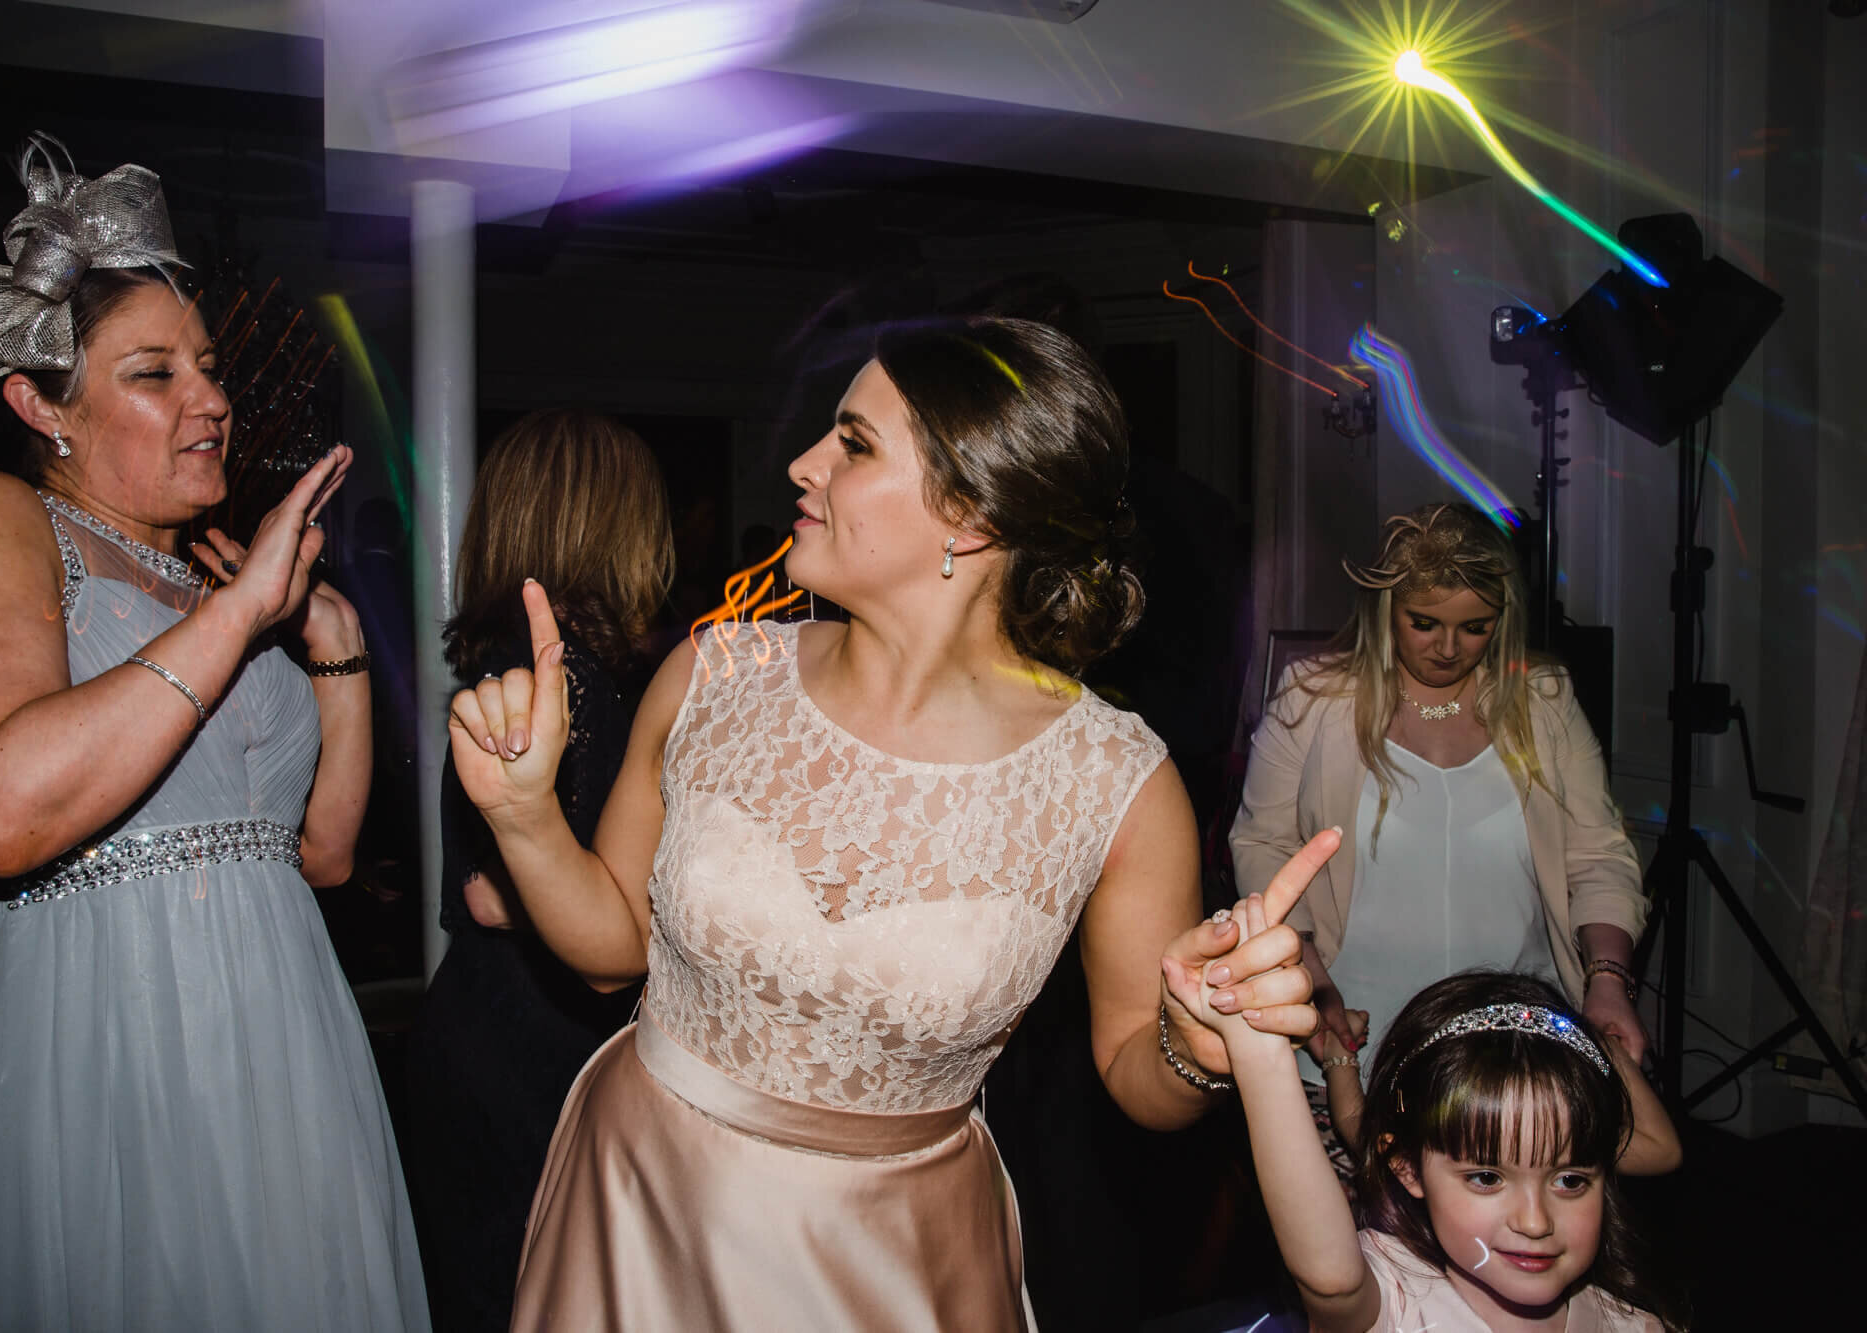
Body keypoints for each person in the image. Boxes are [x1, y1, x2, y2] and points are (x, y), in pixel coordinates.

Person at [448, 317, 1336, 1331]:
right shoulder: (712, 676)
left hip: (889, 1254)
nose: (801, 463)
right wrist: (521, 818)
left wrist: (1196, 1044)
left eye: (852, 444)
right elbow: (610, 950)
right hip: (644, 1201)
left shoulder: (1113, 780)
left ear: (965, 514)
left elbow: (1138, 1075)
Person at [0, 141, 428, 1330]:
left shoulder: (206, 579)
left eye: (209, 368)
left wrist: (327, 644)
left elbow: (318, 854)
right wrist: (237, 618)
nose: (212, 399)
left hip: (277, 1036)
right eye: (153, 373)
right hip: (89, 1048)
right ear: (41, 406)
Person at [1232, 502, 1651, 1174]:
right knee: (1355, 1272)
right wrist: (1307, 973)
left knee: (1510, 1263)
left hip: (1513, 1068)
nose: (1447, 648)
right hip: (1349, 1056)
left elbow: (1599, 854)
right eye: (1423, 622)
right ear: (1385, 608)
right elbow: (1263, 846)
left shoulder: (1543, 699)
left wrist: (1607, 980)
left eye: (1474, 627)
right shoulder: (1310, 698)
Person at [407, 408, 673, 1332]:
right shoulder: (568, 675)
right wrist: (656, 907)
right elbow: (489, 892)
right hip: (529, 1043)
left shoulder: (526, 660)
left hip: (494, 1029)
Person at [1182, 943, 1683, 1332]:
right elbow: (1330, 1279)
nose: (1535, 1222)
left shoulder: (1633, 1324)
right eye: (1487, 1177)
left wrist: (1586, 1035)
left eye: (1570, 1180)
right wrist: (1259, 1054)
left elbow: (1663, 1148)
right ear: (1406, 1168)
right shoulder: (1400, 1300)